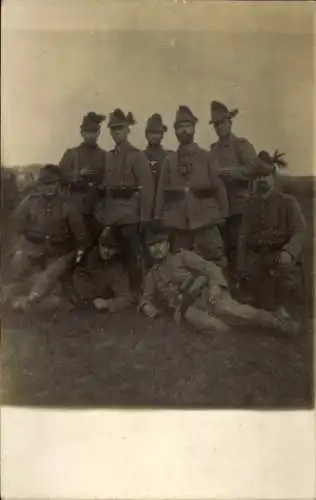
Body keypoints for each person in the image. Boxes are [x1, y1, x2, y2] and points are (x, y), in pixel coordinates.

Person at [139, 230, 298, 335]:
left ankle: (276, 323)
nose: (156, 248)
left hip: (205, 292)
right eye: (152, 246)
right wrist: (147, 306)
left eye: (160, 243)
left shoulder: (182, 256)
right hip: (186, 307)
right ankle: (238, 327)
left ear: (167, 244)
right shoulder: (152, 275)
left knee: (230, 311)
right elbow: (145, 297)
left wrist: (215, 286)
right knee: (216, 327)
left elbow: (210, 267)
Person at [3, 164, 88, 311]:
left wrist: (75, 256)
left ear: (57, 184)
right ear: (39, 185)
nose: (48, 188)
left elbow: (81, 236)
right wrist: (18, 248)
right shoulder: (30, 202)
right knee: (19, 265)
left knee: (50, 280)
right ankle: (12, 296)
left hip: (57, 253)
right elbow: (15, 226)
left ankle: (28, 301)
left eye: (52, 184)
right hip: (32, 250)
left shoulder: (66, 204)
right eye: (44, 184)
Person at [236, 150, 307, 318]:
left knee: (286, 290)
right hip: (259, 259)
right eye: (258, 177)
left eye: (265, 176)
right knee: (258, 302)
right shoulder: (249, 205)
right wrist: (241, 267)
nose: (261, 180)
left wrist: (289, 251)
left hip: (281, 258)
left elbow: (300, 230)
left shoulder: (288, 202)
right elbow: (243, 237)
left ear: (273, 176)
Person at [154, 105, 228, 265]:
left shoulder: (207, 157)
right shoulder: (170, 160)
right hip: (178, 223)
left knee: (214, 263)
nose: (184, 131)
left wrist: (224, 213)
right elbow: (161, 191)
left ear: (194, 128)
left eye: (187, 126)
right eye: (180, 127)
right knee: (180, 265)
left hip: (205, 221)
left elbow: (219, 187)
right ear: (175, 131)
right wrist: (158, 216)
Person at [94, 108, 154, 299]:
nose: (115, 132)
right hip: (113, 218)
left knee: (133, 258)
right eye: (112, 129)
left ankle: (137, 294)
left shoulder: (137, 156)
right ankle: (120, 293)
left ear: (128, 129)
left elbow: (147, 190)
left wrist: (145, 218)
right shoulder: (109, 157)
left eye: (119, 128)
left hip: (131, 216)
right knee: (114, 259)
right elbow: (105, 188)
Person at [209, 101, 273, 277]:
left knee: (241, 246)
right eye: (216, 124)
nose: (219, 127)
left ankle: (243, 282)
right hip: (220, 208)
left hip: (240, 204)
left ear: (230, 122)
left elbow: (260, 167)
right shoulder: (212, 150)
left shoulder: (241, 145)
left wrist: (236, 172)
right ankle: (228, 284)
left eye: (222, 122)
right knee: (223, 247)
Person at [59, 111, 107, 245]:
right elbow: (59, 176)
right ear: (82, 133)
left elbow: (109, 178)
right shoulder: (71, 154)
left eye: (94, 132)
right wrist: (78, 174)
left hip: (98, 206)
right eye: (88, 132)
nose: (91, 135)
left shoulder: (105, 156)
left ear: (99, 133)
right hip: (76, 205)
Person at [72, 226, 133, 313]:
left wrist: (109, 304)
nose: (106, 251)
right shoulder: (86, 263)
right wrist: (93, 300)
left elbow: (126, 297)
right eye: (103, 246)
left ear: (117, 249)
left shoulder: (117, 267)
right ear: (99, 244)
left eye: (111, 247)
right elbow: (78, 286)